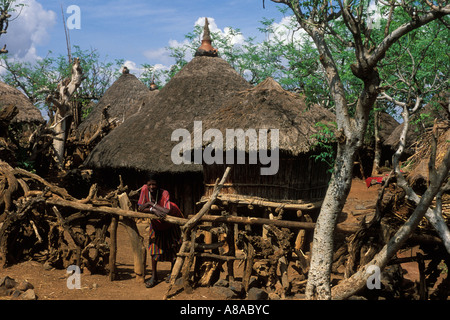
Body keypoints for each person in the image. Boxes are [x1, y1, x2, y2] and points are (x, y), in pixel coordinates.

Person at [137, 174, 183, 288]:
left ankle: (173, 272)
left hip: (172, 222)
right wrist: (152, 209)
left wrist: (151, 204)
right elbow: (140, 208)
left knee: (173, 247)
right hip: (157, 224)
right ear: (146, 184)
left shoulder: (164, 193)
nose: (152, 186)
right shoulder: (144, 190)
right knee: (153, 249)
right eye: (150, 184)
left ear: (158, 185)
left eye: (154, 184)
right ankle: (154, 276)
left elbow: (166, 211)